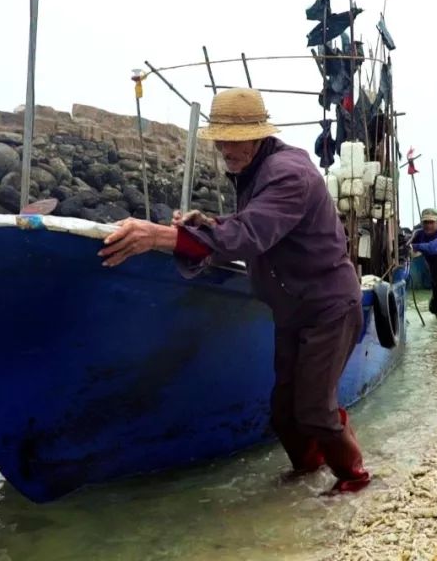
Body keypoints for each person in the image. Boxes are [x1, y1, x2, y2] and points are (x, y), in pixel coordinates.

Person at [97, 88, 370, 494]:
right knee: (283, 413)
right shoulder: (256, 170)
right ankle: (309, 471)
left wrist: (160, 237)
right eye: (220, 138)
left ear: (258, 135)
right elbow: (258, 223)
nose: (226, 147)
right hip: (291, 307)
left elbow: (250, 232)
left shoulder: (288, 172)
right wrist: (205, 225)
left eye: (234, 138)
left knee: (314, 410)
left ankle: (355, 479)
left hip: (327, 306)